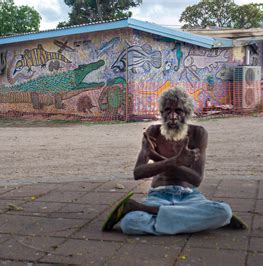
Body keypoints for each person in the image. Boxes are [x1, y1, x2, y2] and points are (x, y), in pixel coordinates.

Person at [102, 87, 246, 234]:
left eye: (178, 111)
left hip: (189, 196)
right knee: (130, 223)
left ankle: (145, 210)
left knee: (224, 211)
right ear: (161, 113)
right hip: (159, 194)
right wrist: (175, 161)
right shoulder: (152, 132)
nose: (172, 116)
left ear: (187, 113)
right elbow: (138, 173)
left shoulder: (198, 133)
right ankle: (195, 218)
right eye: (167, 111)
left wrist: (158, 158)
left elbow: (196, 180)